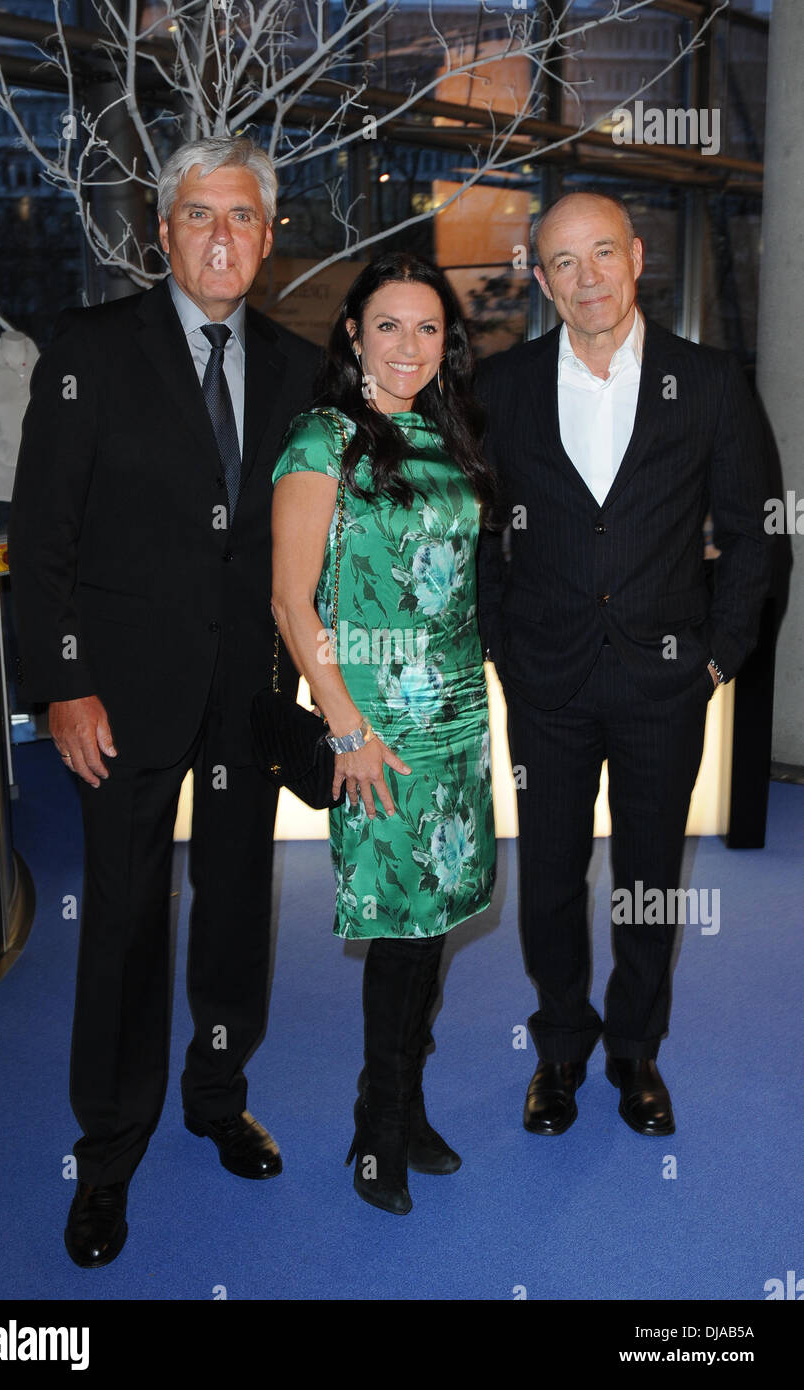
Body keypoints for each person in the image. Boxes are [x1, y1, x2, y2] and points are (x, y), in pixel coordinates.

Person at [10, 136, 320, 1266]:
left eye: (241, 216)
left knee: (238, 914)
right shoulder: (91, 349)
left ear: (269, 236)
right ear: (163, 230)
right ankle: (105, 1156)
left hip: (246, 701)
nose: (221, 235)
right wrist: (63, 684)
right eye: (199, 215)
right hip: (120, 700)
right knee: (126, 927)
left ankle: (216, 1096)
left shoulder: (297, 370)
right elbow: (39, 540)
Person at [477, 191, 771, 1139]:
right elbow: (479, 529)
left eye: (602, 253)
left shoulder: (711, 379)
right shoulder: (503, 386)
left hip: (666, 683)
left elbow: (759, 535)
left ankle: (636, 1052)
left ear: (636, 256)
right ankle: (560, 1050)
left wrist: (720, 657)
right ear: (541, 277)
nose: (588, 277)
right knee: (551, 877)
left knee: (649, 876)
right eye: (564, 261)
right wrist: (497, 642)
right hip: (548, 683)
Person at [271, 252, 497, 1214]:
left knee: (437, 924)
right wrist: (346, 728)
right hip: (375, 730)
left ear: (448, 344)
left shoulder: (447, 435)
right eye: (390, 325)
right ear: (354, 332)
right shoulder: (322, 440)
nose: (409, 345)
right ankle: (379, 1132)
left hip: (455, 720)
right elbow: (290, 599)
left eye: (429, 328)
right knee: (401, 934)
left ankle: (398, 1103)